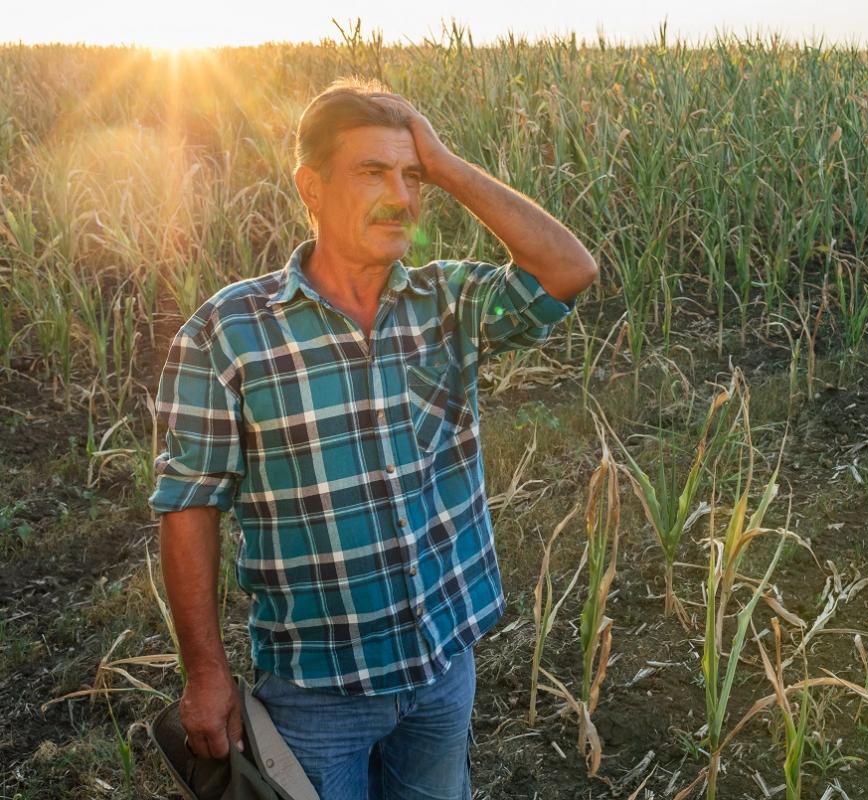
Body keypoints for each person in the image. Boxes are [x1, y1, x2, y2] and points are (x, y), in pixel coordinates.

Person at [148, 77, 598, 800]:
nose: (400, 195)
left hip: (443, 665)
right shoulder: (228, 332)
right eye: (371, 172)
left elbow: (569, 270)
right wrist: (205, 671)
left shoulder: (446, 301)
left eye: (411, 176)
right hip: (318, 690)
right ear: (311, 189)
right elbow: (189, 505)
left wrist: (446, 164)